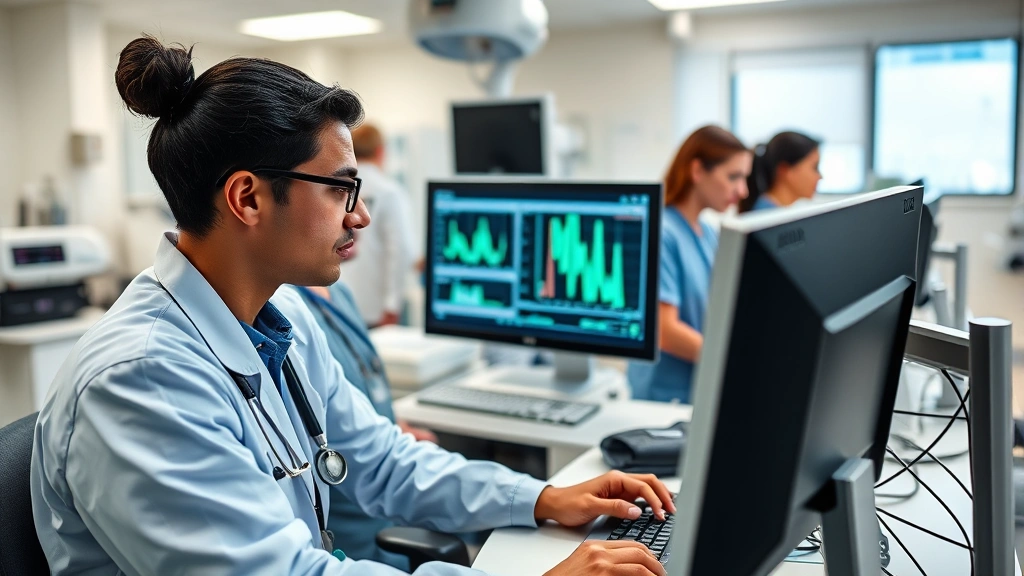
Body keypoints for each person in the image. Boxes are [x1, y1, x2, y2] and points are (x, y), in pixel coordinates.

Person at [30, 36, 674, 576]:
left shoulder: (283, 318)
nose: (360, 215)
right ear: (248, 199)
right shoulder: (142, 382)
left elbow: (380, 460)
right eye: (341, 188)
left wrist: (541, 497)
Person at [293, 276, 436, 569]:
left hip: (382, 513)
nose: (360, 226)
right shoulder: (286, 311)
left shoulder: (337, 293)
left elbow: (356, 419)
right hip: (352, 535)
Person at [627, 126, 752, 404]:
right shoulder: (662, 231)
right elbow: (665, 331)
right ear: (697, 171)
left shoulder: (708, 233)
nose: (742, 191)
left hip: (696, 391)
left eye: (745, 178)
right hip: (663, 399)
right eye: (733, 177)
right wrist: (731, 360)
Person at [337, 123, 415, 327]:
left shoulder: (337, 188)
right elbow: (401, 250)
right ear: (381, 151)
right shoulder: (389, 192)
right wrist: (392, 305)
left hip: (338, 303)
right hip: (376, 309)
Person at [739, 131, 821, 213]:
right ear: (785, 170)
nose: (820, 176)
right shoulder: (766, 217)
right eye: (815, 167)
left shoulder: (775, 213)